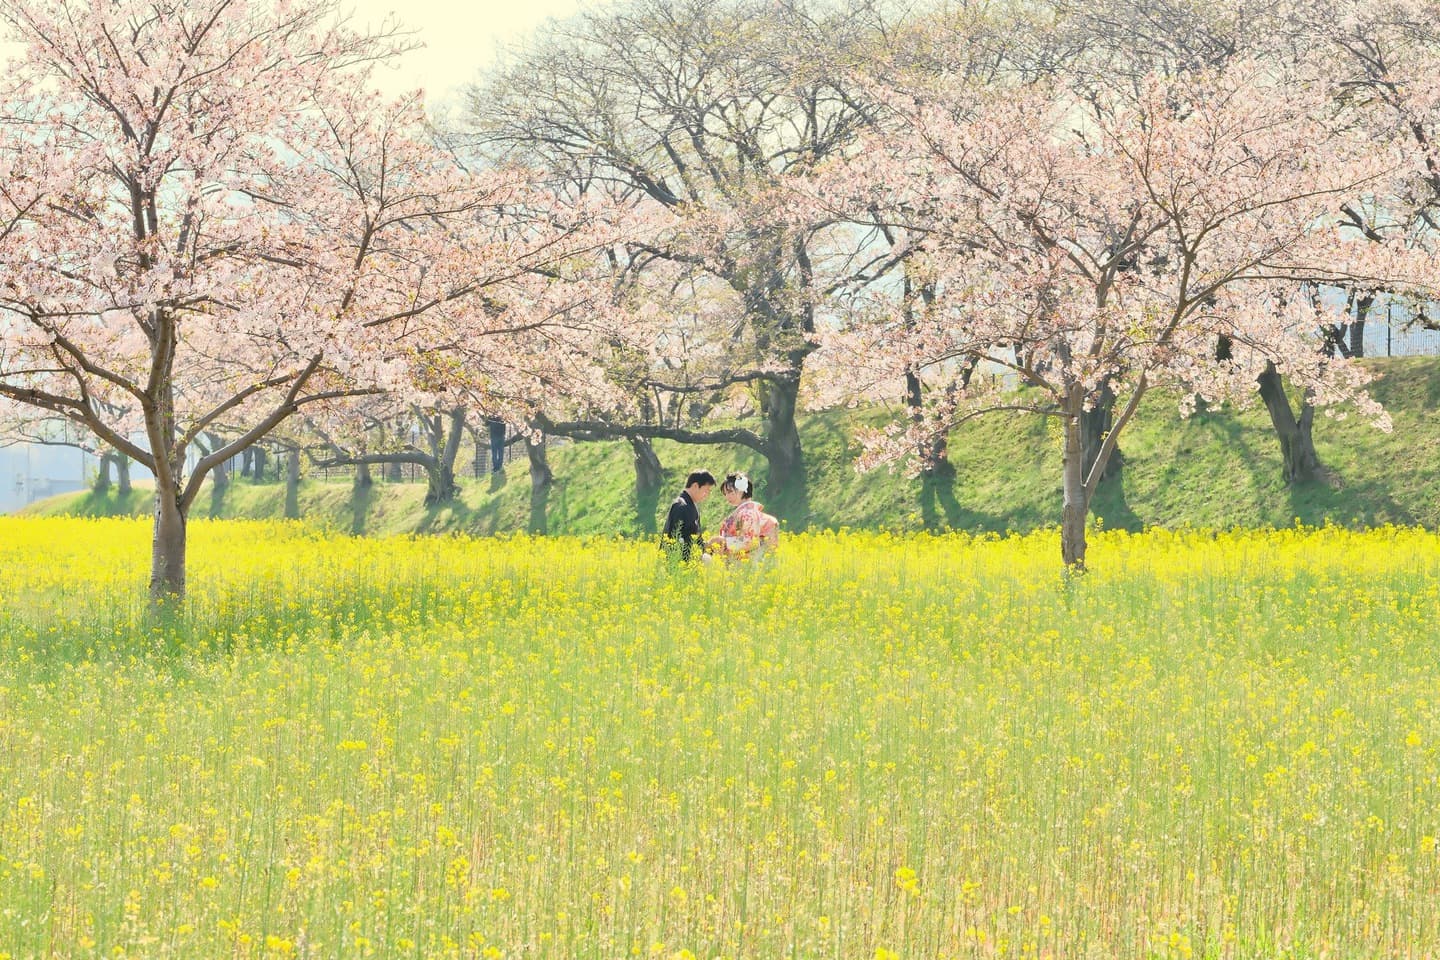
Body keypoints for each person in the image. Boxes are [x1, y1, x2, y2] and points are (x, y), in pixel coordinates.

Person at [709, 472, 779, 561]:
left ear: (741, 490)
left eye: (730, 492)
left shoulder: (747, 513)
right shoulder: (746, 512)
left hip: (744, 563)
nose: (727, 496)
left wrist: (723, 542)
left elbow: (749, 542)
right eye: (725, 493)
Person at [661, 470, 715, 561]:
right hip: (677, 562)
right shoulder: (681, 506)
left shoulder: (691, 506)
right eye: (706, 491)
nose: (707, 495)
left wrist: (708, 545)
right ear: (695, 486)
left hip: (688, 562)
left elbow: (694, 538)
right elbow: (675, 538)